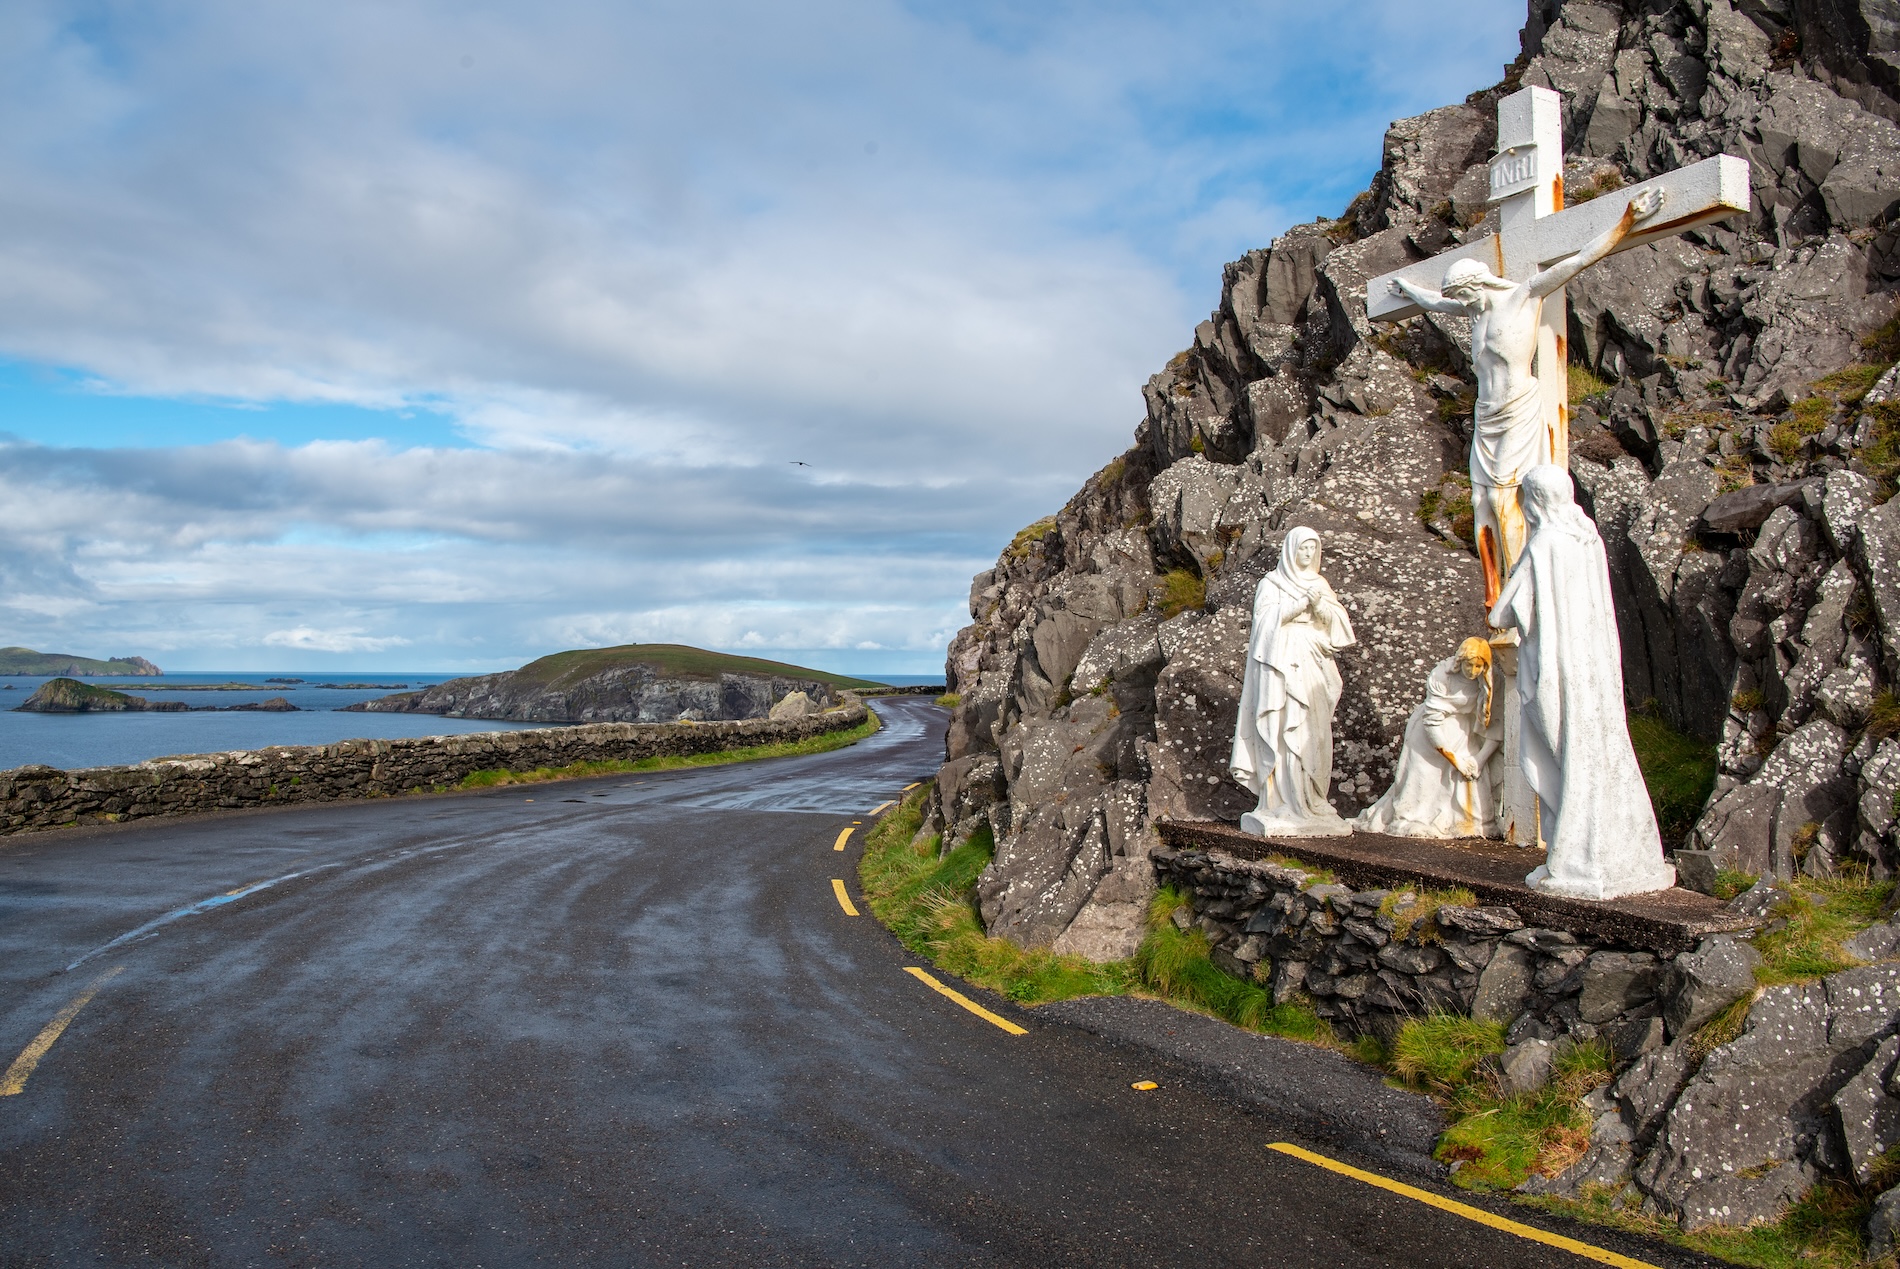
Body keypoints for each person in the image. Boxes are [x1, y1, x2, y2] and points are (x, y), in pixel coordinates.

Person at [1389, 187, 1665, 606]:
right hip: (1487, 413)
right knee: (1480, 501)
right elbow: (1436, 303)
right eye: (1460, 299)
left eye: (1465, 294)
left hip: (1517, 407)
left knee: (1504, 499)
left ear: (1478, 283)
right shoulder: (1473, 310)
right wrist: (1409, 291)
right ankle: (1494, 590)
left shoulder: (1523, 296)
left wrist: (1626, 221)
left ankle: (1524, 588)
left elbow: (1578, 259)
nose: (1464, 304)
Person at [1487, 465, 1675, 899]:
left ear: (1532, 502)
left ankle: (1577, 857)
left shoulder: (1545, 544)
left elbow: (1504, 614)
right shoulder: (1587, 538)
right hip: (1593, 671)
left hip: (1556, 671)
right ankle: (1627, 855)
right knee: (1600, 751)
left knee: (1563, 756)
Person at [1230, 527, 1356, 837]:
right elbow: (1264, 625)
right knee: (1285, 729)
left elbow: (1338, 626)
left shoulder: (1320, 584)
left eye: (1313, 550)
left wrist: (1321, 606)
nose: (1308, 555)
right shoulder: (1272, 583)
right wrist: (1300, 605)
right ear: (1290, 551)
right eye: (1303, 549)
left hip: (1312, 662)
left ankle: (1313, 798)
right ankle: (1282, 801)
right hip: (1281, 667)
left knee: (1314, 731)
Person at [1354, 637, 1503, 839]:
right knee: (1424, 779)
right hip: (1429, 734)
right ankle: (1411, 818)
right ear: (1460, 660)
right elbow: (1433, 721)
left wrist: (1479, 759)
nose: (1474, 670)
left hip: (1465, 731)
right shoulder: (1442, 675)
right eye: (1469, 664)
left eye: (1479, 666)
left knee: (1470, 782)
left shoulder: (1492, 680)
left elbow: (1496, 724)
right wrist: (1455, 760)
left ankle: (1464, 823)